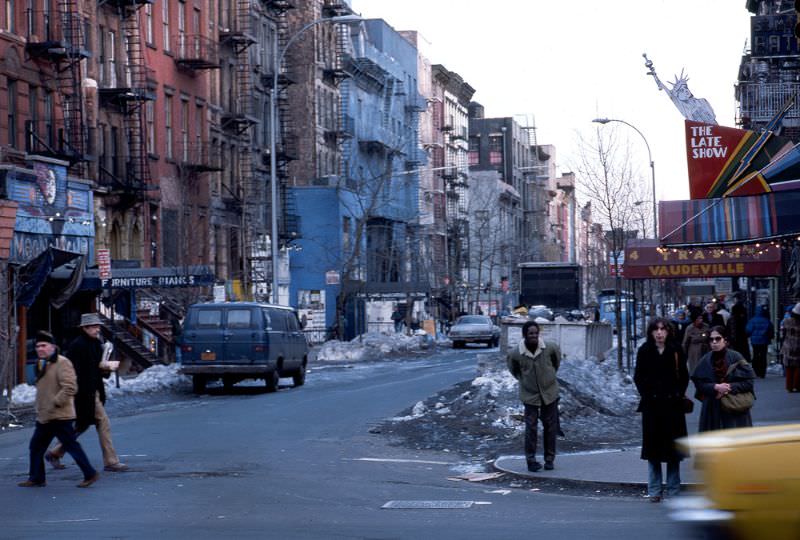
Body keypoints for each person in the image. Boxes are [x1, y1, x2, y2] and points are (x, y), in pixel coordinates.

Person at [46, 313, 128, 472]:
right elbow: (76, 372)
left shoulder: (96, 344)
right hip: (84, 393)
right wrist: (102, 367)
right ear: (85, 328)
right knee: (103, 422)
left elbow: (96, 370)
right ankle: (111, 461)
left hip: (93, 390)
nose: (97, 329)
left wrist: (106, 368)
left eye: (98, 326)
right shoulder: (78, 345)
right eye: (94, 326)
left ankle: (55, 453)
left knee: (82, 425)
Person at [18, 331, 99, 488]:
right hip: (45, 416)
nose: (40, 349)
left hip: (60, 415)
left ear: (53, 347)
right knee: (36, 447)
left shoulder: (62, 362)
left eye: (44, 345)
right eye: (37, 346)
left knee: (70, 445)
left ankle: (90, 473)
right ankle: (37, 478)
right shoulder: (41, 363)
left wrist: (56, 402)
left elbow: (70, 387)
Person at [634, 317, 689, 503]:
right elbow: (638, 376)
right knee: (653, 450)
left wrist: (676, 394)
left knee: (673, 451)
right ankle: (655, 490)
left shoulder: (676, 350)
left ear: (668, 331)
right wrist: (648, 394)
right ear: (651, 332)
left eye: (663, 329)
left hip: (672, 407)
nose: (659, 333)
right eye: (656, 329)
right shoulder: (645, 350)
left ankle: (674, 489)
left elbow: (684, 376)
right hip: (652, 407)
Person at [507, 320, 561, 472]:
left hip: (549, 393)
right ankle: (531, 460)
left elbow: (556, 364)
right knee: (531, 428)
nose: (534, 336)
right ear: (525, 335)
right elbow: (514, 370)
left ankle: (549, 459)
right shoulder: (516, 353)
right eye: (531, 333)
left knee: (550, 427)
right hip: (529, 395)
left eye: (536, 333)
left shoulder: (550, 348)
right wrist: (525, 381)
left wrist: (548, 378)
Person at [691, 326, 755, 432]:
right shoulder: (705, 360)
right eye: (711, 339)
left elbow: (748, 382)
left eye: (718, 338)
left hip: (735, 407)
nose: (714, 342)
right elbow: (699, 383)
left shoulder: (736, 357)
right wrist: (715, 387)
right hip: (712, 409)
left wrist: (727, 388)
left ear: (725, 340)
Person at [746, 305, 774, 379]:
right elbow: (771, 331)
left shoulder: (752, 320)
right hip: (764, 341)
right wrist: (770, 337)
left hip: (755, 341)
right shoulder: (767, 320)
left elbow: (748, 330)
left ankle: (756, 371)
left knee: (755, 355)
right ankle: (762, 372)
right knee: (763, 356)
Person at [780, 303, 800, 392]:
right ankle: (797, 385)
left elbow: (782, 334)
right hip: (798, 345)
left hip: (787, 345)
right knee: (798, 366)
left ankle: (789, 387)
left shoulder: (786, 321)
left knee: (788, 366)